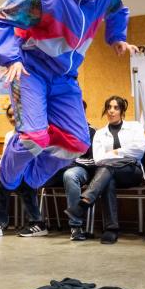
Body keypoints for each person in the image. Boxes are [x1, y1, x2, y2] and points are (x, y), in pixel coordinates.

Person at [0, 0, 137, 197]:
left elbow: (117, 10)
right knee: (33, 138)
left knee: (77, 142)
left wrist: (117, 37)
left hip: (64, 77)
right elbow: (0, 19)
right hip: (30, 69)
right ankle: (5, 181)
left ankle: (29, 183)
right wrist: (10, 58)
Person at [65, 96, 145, 244]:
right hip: (108, 173)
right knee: (108, 177)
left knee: (107, 170)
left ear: (122, 110)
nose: (111, 111)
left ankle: (85, 202)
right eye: (109, 107)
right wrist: (123, 154)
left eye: (115, 107)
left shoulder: (135, 127)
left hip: (131, 172)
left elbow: (139, 151)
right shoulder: (100, 133)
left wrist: (114, 153)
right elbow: (98, 159)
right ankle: (111, 229)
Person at [0, 105, 46, 238]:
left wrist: (5, 169)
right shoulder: (9, 135)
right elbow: (6, 156)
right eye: (10, 115)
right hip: (8, 169)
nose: (13, 118)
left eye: (15, 114)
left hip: (27, 171)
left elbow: (31, 158)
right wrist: (1, 166)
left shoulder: (32, 133)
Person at [42, 101, 97, 241]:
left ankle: (76, 226)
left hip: (82, 170)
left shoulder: (91, 132)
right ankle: (36, 222)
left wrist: (70, 161)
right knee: (32, 176)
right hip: (59, 169)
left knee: (70, 175)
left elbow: (93, 161)